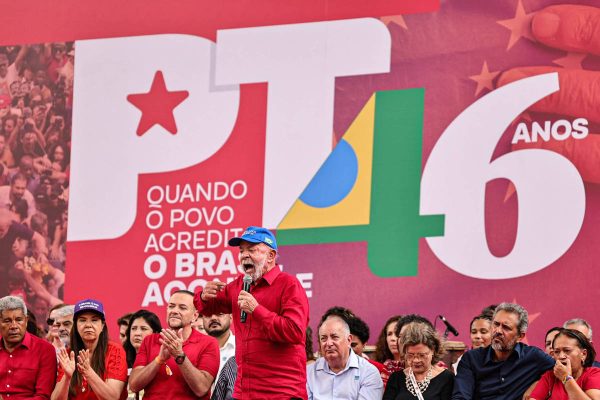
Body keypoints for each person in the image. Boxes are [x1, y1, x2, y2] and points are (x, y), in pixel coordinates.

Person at [194, 226, 310, 399]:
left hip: (281, 392)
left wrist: (257, 310)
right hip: (244, 393)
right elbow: (209, 309)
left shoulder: (289, 285)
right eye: (241, 251)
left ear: (270, 256)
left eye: (252, 250)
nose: (244, 255)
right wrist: (203, 297)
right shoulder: (238, 285)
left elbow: (294, 331)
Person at [452, 302, 554, 400]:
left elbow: (560, 370)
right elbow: (461, 396)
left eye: (506, 327)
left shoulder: (533, 357)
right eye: (496, 324)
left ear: (520, 336)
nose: (498, 331)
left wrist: (538, 384)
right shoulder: (471, 359)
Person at [129, 290, 219, 399]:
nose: (175, 311)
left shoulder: (209, 343)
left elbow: (201, 388)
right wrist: (159, 360)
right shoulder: (150, 340)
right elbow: (134, 386)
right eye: (171, 306)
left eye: (182, 308)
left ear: (195, 316)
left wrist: (179, 355)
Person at [52, 299, 128, 400]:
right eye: (82, 320)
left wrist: (88, 372)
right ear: (75, 325)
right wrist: (67, 377)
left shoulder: (115, 351)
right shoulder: (69, 355)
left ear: (102, 325)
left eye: (94, 320)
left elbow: (112, 397)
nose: (88, 325)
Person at [307, 314, 383, 400]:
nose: (329, 343)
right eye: (323, 338)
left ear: (349, 340)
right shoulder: (310, 372)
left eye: (334, 337)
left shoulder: (368, 373)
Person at [0, 295, 57, 399]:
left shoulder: (45, 350)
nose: (14, 326)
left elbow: (42, 396)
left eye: (19, 320)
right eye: (7, 321)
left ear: (26, 321)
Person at [383, 322, 454, 400]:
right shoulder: (396, 378)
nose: (416, 360)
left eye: (422, 355)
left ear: (433, 350)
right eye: (410, 355)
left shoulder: (446, 378)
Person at [530, 328, 600, 400]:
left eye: (567, 350)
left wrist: (566, 378)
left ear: (583, 354)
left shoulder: (594, 374)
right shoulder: (549, 377)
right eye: (557, 352)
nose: (561, 356)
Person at [201, 312, 235, 381]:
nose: (213, 318)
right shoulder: (193, 348)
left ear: (231, 317)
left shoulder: (243, 348)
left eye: (220, 314)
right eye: (208, 314)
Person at [375, 315, 402, 386]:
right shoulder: (377, 367)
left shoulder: (416, 366)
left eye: (397, 334)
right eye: (389, 334)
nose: (393, 338)